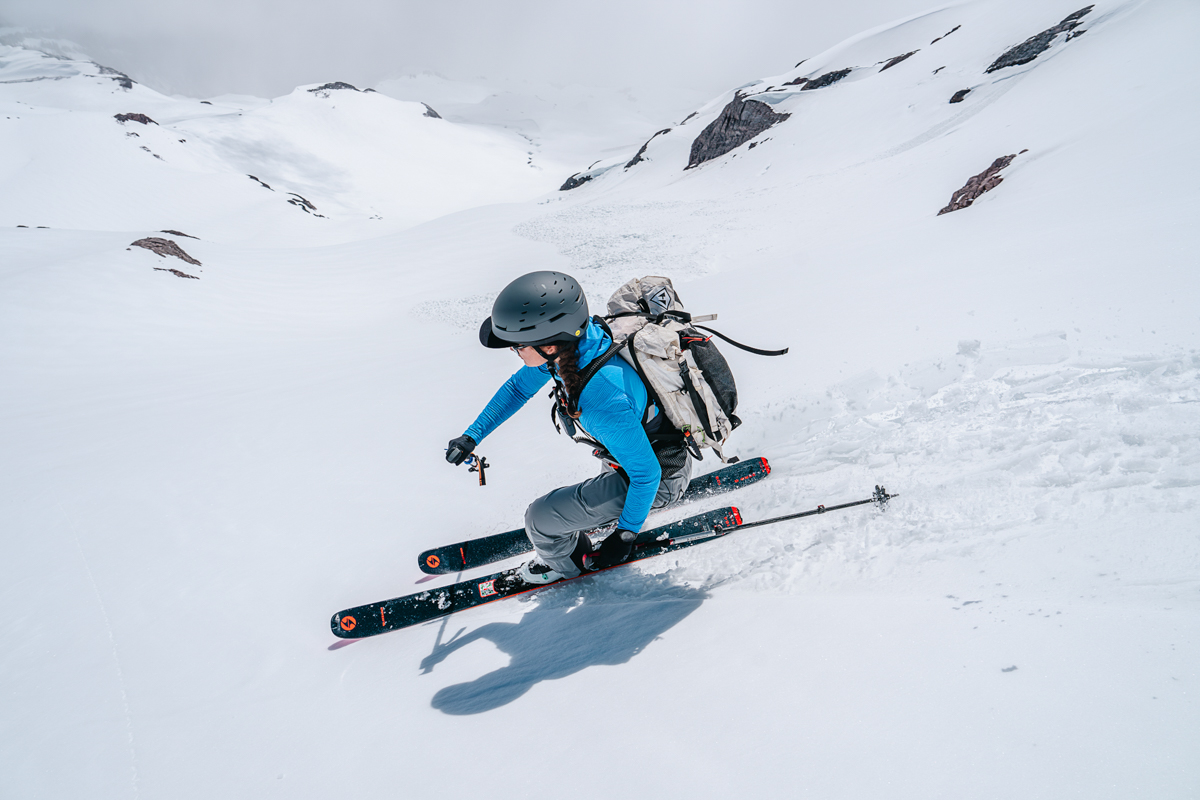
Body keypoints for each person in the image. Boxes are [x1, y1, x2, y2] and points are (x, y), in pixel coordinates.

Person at [445, 271, 692, 584]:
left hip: (658, 479)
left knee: (539, 519)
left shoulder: (601, 398)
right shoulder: (579, 346)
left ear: (548, 345)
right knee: (611, 471)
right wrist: (472, 435)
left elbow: (646, 475)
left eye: (517, 346)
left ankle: (563, 565)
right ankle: (604, 510)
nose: (515, 352)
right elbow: (518, 389)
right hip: (630, 456)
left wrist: (626, 534)